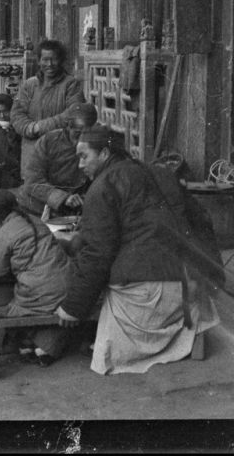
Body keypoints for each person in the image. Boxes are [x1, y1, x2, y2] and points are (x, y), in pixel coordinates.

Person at [56, 126, 217, 375]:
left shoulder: (102, 187)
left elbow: (97, 254)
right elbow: (202, 220)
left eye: (83, 156)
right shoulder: (161, 172)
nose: (79, 165)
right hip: (187, 293)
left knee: (102, 338)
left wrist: (73, 307)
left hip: (148, 298)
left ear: (105, 153)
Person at [0, 187, 76, 365]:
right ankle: (41, 348)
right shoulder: (37, 221)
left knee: (15, 308)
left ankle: (37, 346)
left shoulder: (3, 233)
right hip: (69, 284)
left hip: (42, 291)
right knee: (45, 302)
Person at [17, 103, 98, 217]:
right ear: (68, 127)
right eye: (77, 133)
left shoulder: (97, 145)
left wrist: (84, 198)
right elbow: (33, 182)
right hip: (37, 207)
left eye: (87, 134)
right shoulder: (48, 141)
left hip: (73, 210)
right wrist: (63, 197)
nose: (81, 139)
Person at [12, 39, 89, 149]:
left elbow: (74, 113)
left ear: (61, 60)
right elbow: (16, 114)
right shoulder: (29, 85)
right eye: (45, 60)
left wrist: (40, 127)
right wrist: (30, 129)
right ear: (39, 61)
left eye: (54, 59)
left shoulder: (70, 84)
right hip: (31, 148)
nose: (50, 64)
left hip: (60, 149)